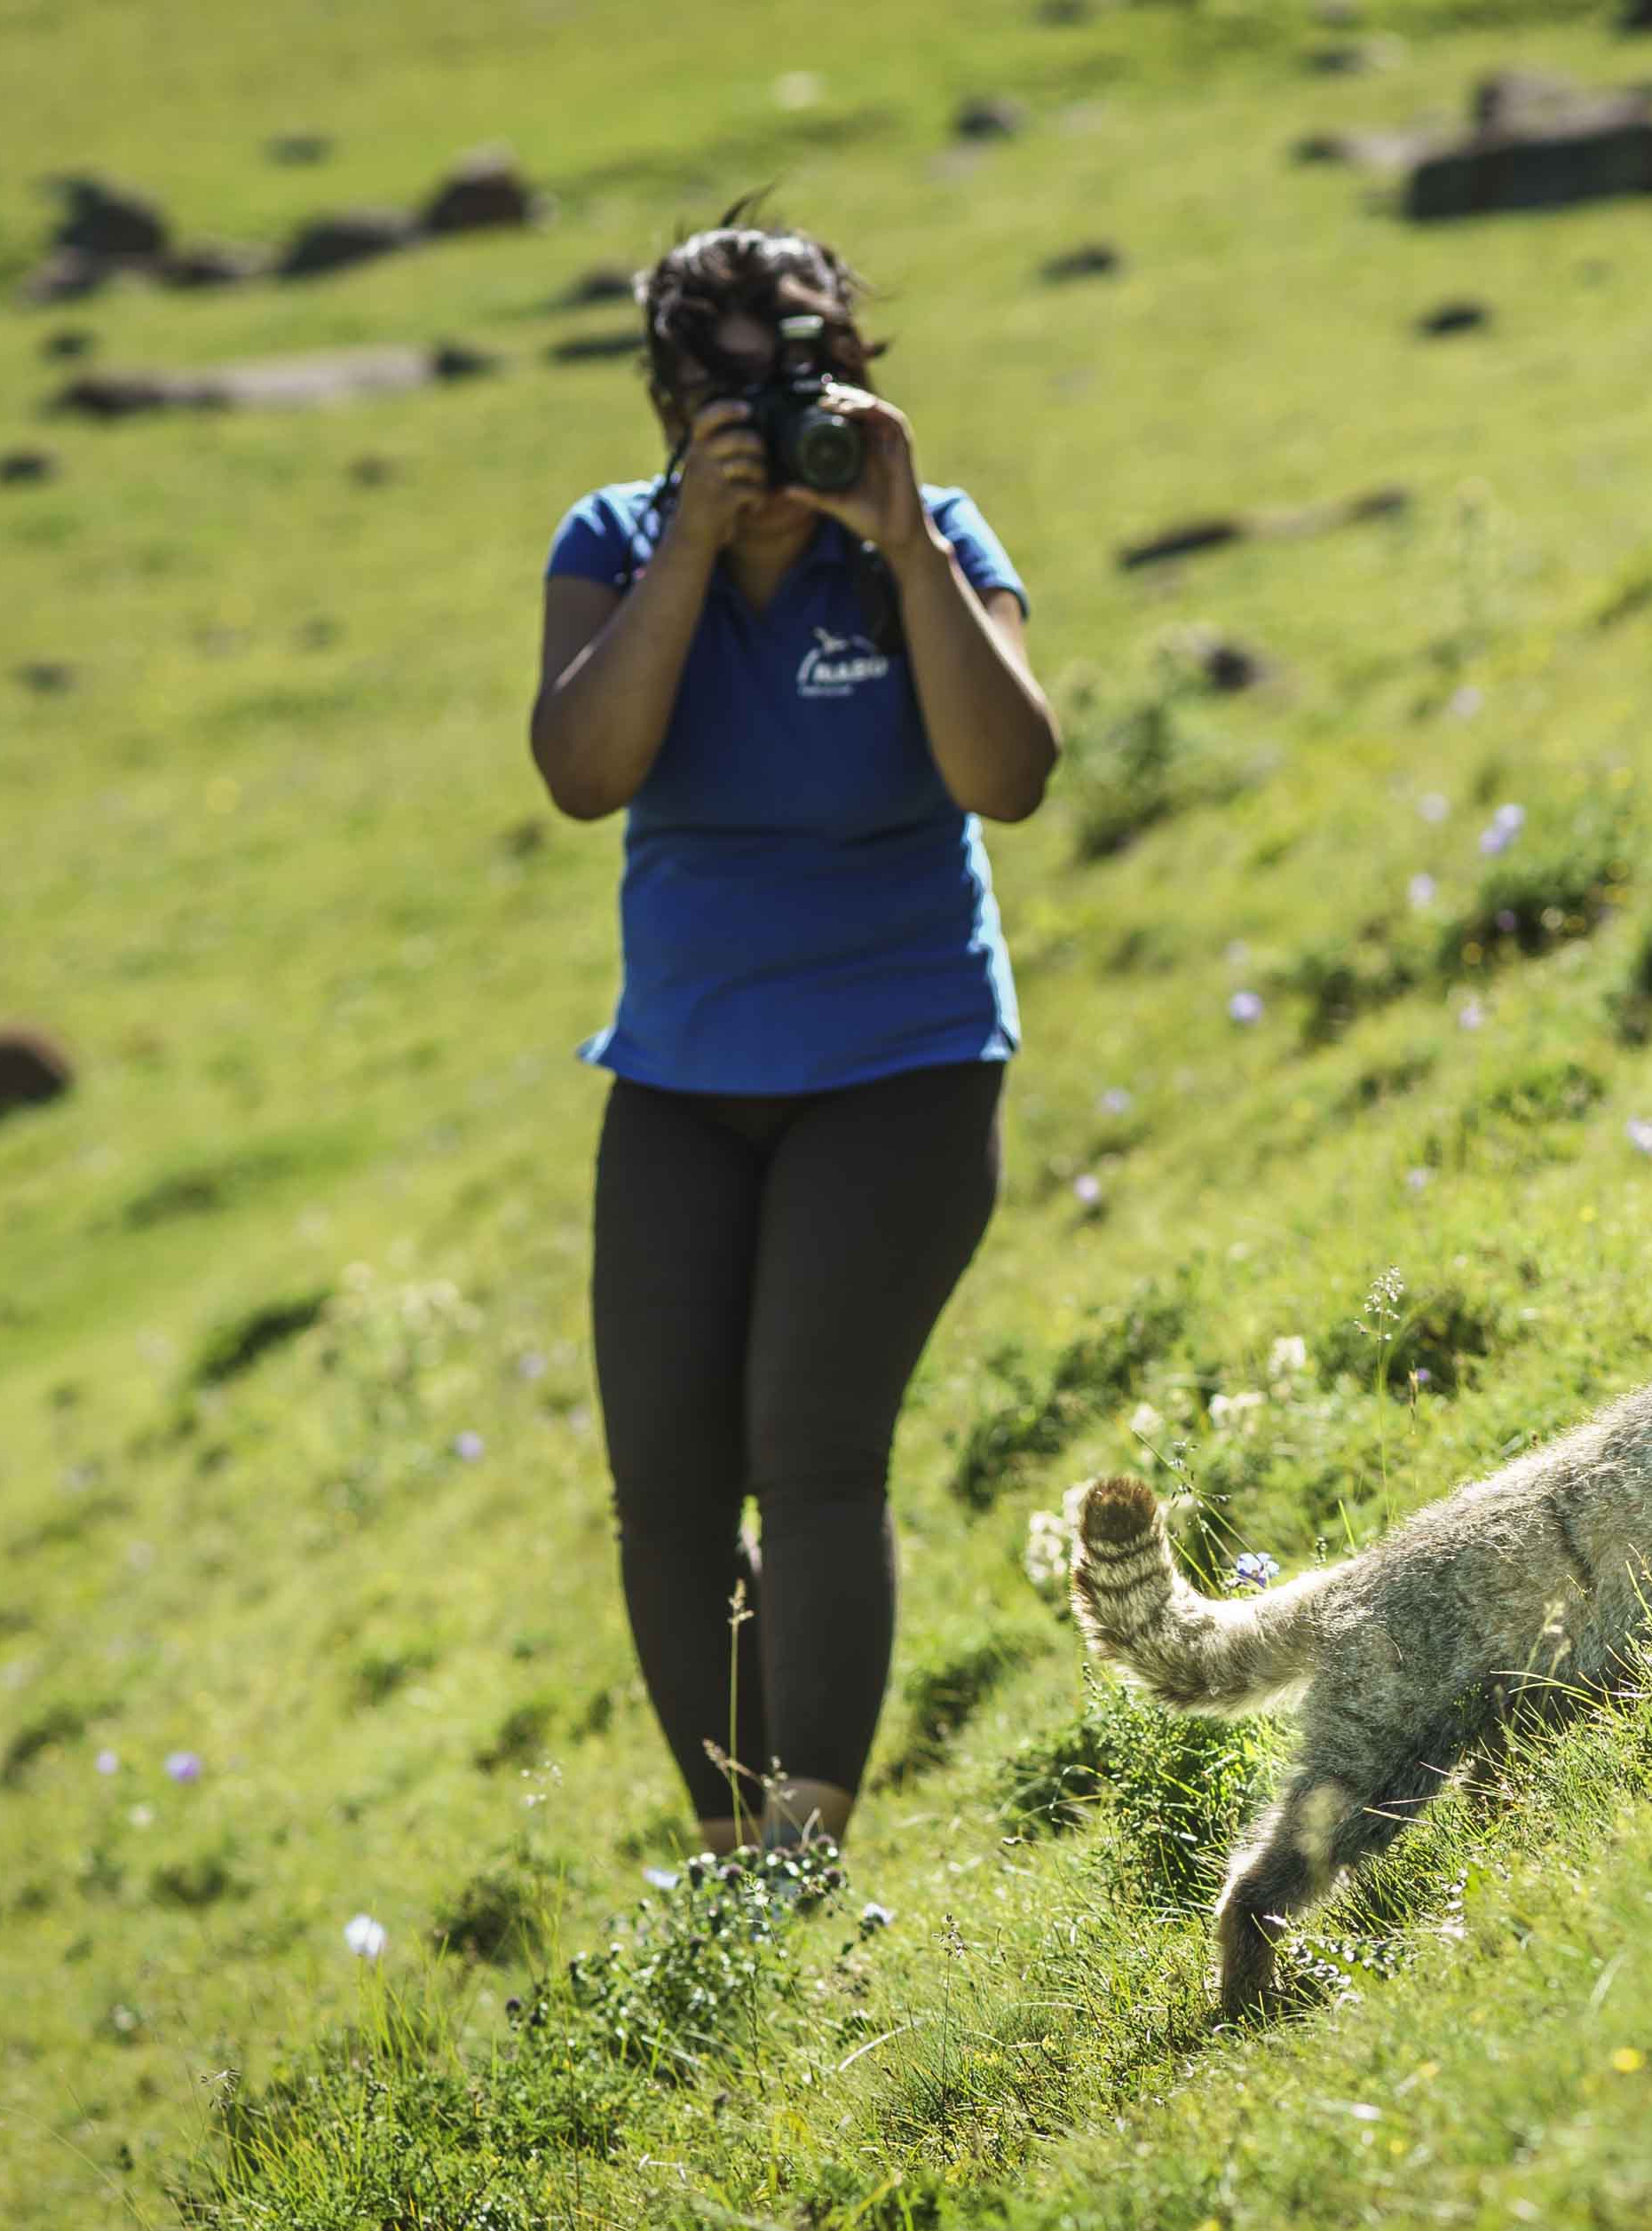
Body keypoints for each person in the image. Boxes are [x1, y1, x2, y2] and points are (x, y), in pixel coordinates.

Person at [527, 210, 1059, 1857]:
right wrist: (689, 548)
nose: (776, 423)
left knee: (812, 1452)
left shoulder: (931, 536)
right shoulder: (615, 543)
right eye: (736, 395)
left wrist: (903, 548)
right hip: (680, 1082)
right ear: (673, 404)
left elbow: (1009, 777)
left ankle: (804, 1850)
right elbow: (583, 772)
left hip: (904, 1065)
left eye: (805, 379)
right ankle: (735, 1855)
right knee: (668, 1488)